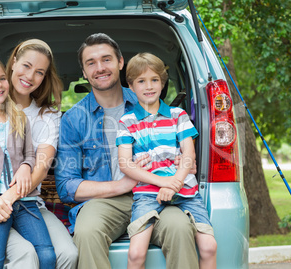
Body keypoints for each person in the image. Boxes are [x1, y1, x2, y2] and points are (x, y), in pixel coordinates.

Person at [55, 33, 199, 269]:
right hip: (104, 202)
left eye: (106, 59)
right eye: (91, 63)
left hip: (156, 194)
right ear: (83, 71)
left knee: (181, 228)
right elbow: (66, 187)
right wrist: (123, 185)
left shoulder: (150, 101)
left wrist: (184, 163)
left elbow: (182, 149)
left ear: (121, 62)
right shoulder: (73, 119)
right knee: (87, 232)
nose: (100, 68)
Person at [0, 39, 78, 269]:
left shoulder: (48, 115)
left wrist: (6, 200)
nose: (30, 76)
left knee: (67, 254)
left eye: (39, 72)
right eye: (26, 65)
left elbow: (41, 167)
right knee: (25, 256)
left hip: (28, 204)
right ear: (13, 63)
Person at [116, 52, 217, 269]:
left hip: (186, 192)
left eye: (155, 80)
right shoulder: (127, 122)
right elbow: (125, 164)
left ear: (162, 84)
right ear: (131, 87)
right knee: (135, 254)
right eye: (141, 81)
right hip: (147, 195)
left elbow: (189, 156)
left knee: (209, 247)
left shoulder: (178, 115)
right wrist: (163, 183)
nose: (149, 86)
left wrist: (175, 183)